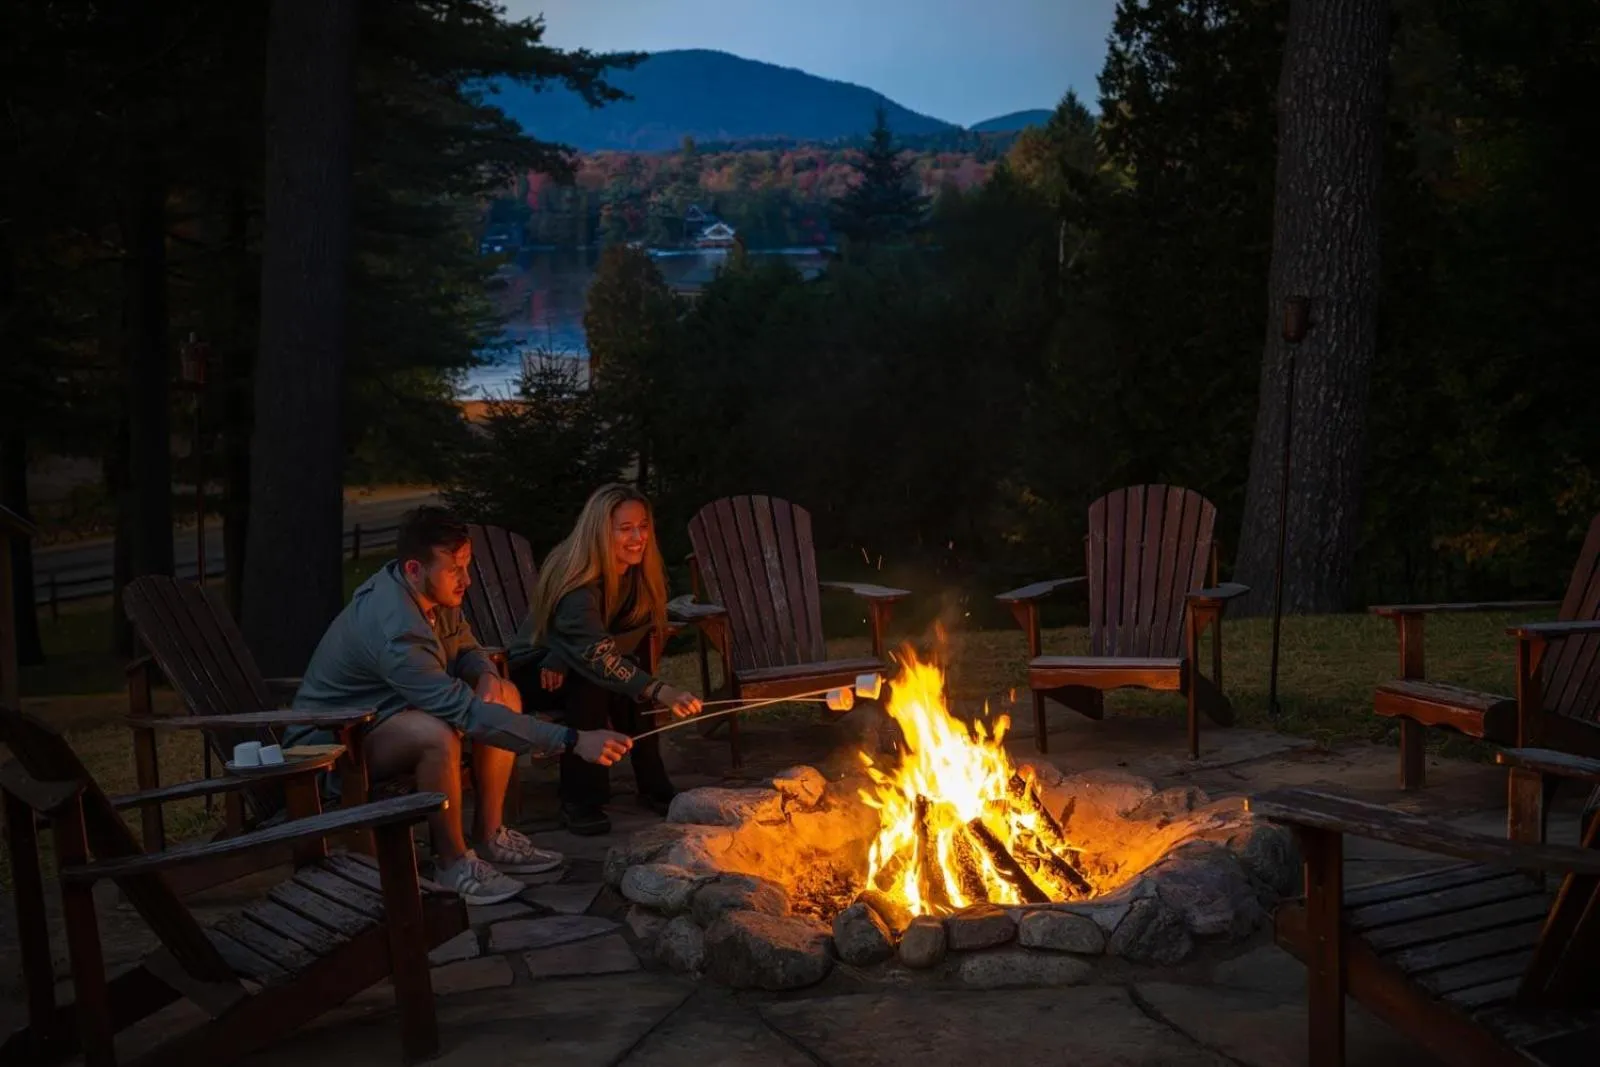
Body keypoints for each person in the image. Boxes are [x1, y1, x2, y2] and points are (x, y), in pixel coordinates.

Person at [284, 506, 634, 905]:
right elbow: (465, 714)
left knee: (505, 693)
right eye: (456, 570)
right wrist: (572, 739)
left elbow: (465, 646)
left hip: (381, 721)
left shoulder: (427, 592)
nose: (466, 580)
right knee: (436, 735)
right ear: (415, 568)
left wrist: (485, 672)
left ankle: (489, 837)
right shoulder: (397, 630)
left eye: (467, 566)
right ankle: (452, 862)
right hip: (329, 750)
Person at [509, 484, 703, 836]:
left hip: (574, 658)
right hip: (533, 669)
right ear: (600, 530)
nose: (637, 537)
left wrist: (571, 656)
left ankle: (654, 785)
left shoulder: (636, 575)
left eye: (643, 526)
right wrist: (662, 691)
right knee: (594, 682)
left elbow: (618, 639)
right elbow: (595, 654)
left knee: (623, 679)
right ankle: (580, 798)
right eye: (625, 528)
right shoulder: (576, 581)